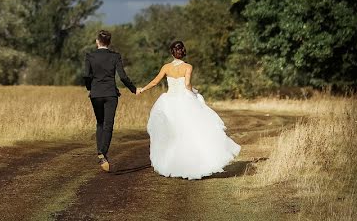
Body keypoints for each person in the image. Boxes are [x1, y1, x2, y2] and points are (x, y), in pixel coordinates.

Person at [136, 40, 240, 179]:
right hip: (184, 101)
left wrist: (142, 89)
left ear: (172, 52)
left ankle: (172, 163)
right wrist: (194, 92)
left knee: (172, 133)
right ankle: (192, 162)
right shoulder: (188, 67)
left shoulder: (166, 67)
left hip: (169, 102)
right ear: (183, 52)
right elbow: (187, 85)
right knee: (189, 131)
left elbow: (155, 82)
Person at [83, 29, 136, 172]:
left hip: (95, 94)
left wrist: (90, 88)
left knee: (100, 123)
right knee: (109, 124)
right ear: (109, 43)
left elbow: (86, 76)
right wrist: (133, 89)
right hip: (111, 94)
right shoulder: (115, 56)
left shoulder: (90, 56)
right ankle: (102, 152)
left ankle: (101, 153)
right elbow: (123, 77)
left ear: (97, 42)